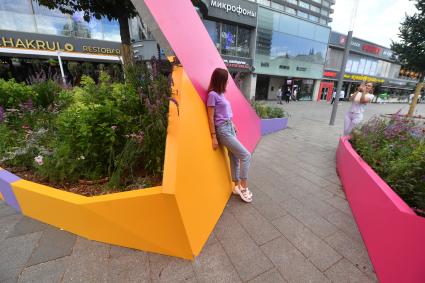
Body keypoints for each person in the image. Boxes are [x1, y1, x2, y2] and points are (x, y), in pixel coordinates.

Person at [206, 68, 253, 203]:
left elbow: (225, 113)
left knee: (235, 157)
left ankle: (236, 186)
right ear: (220, 81)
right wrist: (214, 136)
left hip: (230, 128)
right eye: (226, 80)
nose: (228, 82)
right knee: (246, 155)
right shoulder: (212, 95)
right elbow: (211, 117)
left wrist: (232, 124)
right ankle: (243, 186)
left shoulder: (221, 94)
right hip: (222, 131)